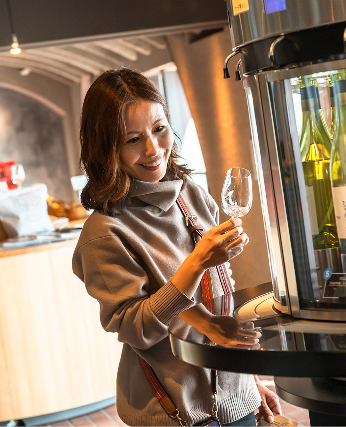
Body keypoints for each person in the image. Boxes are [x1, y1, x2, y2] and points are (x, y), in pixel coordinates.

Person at [72, 67, 282, 427]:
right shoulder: (105, 232)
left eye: (159, 129)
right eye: (132, 139)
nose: (153, 149)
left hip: (238, 399)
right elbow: (136, 329)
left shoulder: (191, 195)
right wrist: (197, 262)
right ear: (106, 148)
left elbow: (219, 298)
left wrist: (248, 381)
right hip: (175, 411)